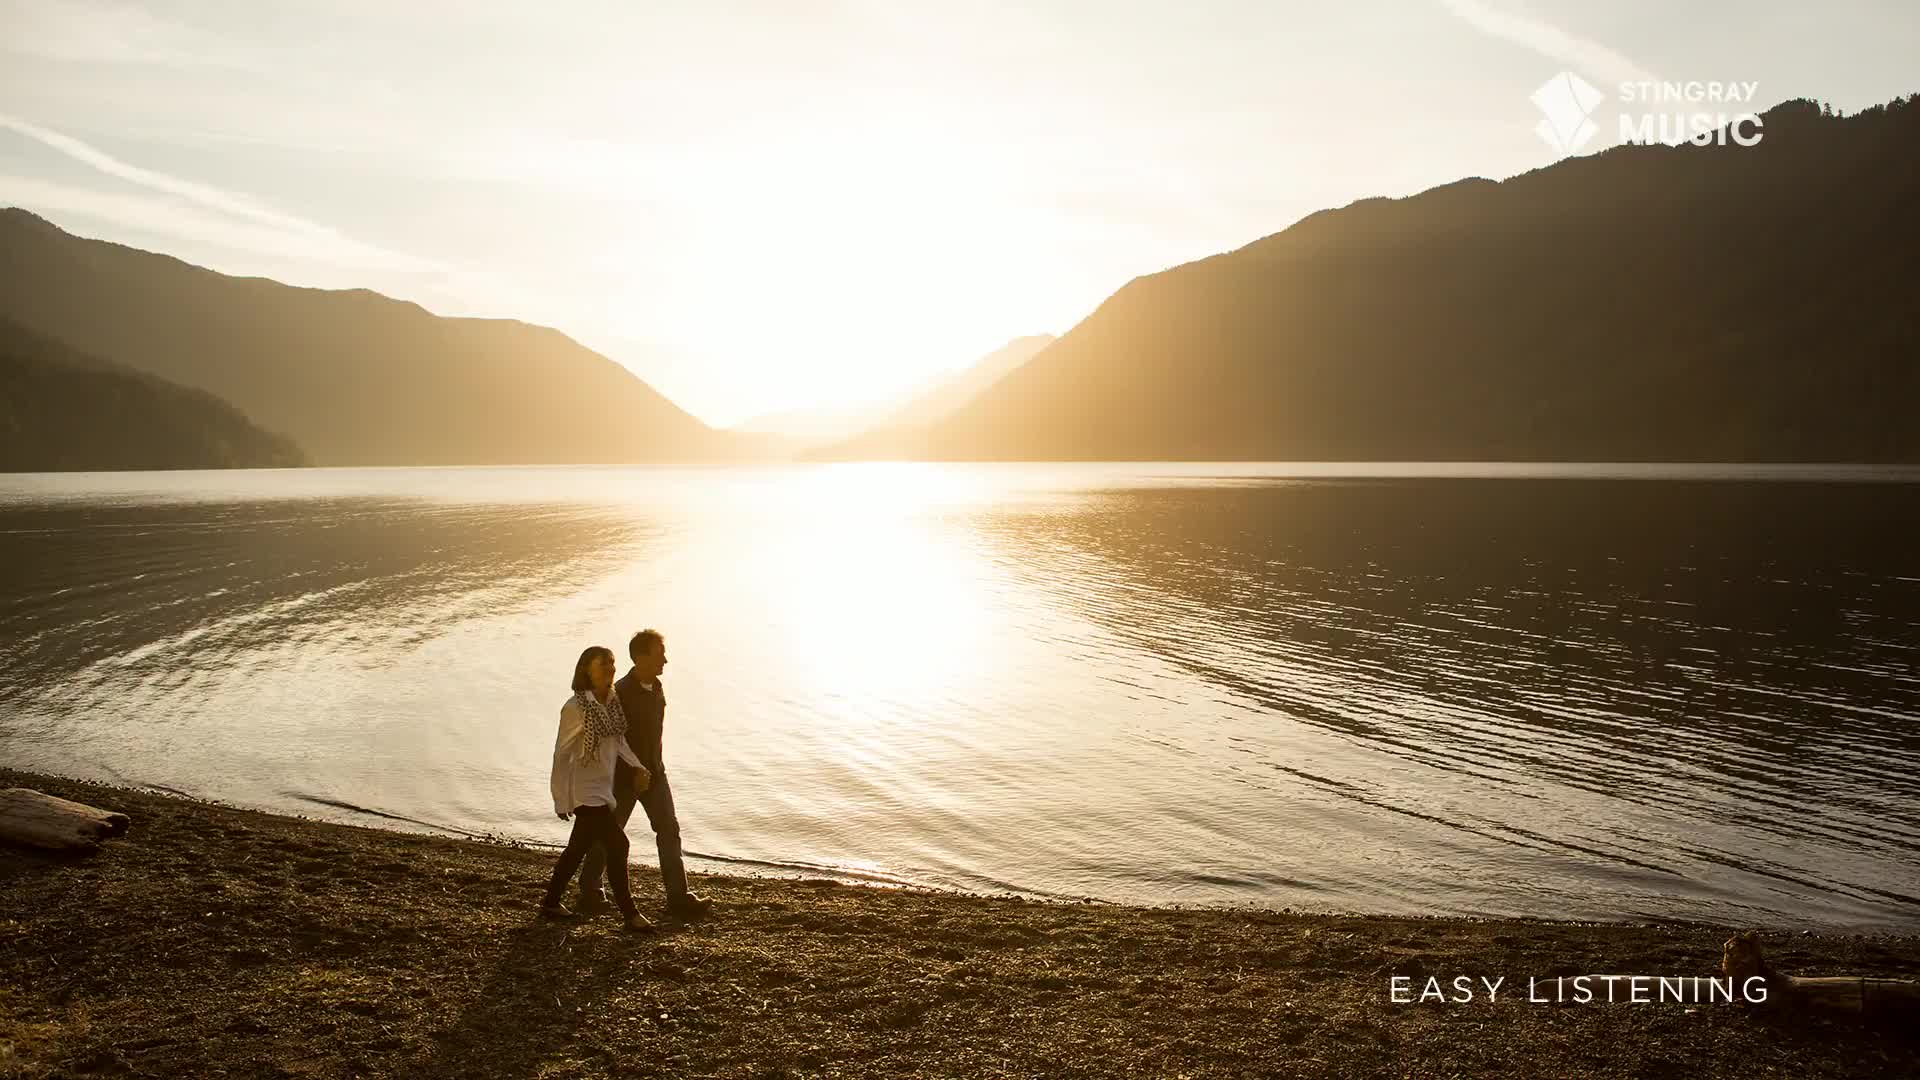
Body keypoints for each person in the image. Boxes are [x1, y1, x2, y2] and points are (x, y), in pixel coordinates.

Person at [579, 628, 713, 920]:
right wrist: (633, 771)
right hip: (624, 778)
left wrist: (653, 768)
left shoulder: (657, 687)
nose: (665, 660)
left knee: (668, 829)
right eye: (659, 655)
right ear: (640, 658)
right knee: (609, 835)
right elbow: (614, 740)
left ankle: (678, 898)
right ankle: (589, 890)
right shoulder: (620, 693)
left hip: (656, 773)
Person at [540, 645, 654, 931]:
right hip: (583, 791)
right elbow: (561, 754)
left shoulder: (612, 702)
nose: (611, 671)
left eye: (612, 665)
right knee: (619, 844)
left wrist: (638, 766)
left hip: (603, 788)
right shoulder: (576, 707)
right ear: (586, 672)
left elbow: (618, 742)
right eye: (603, 666)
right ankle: (630, 915)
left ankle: (550, 903)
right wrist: (562, 800)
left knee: (577, 849)